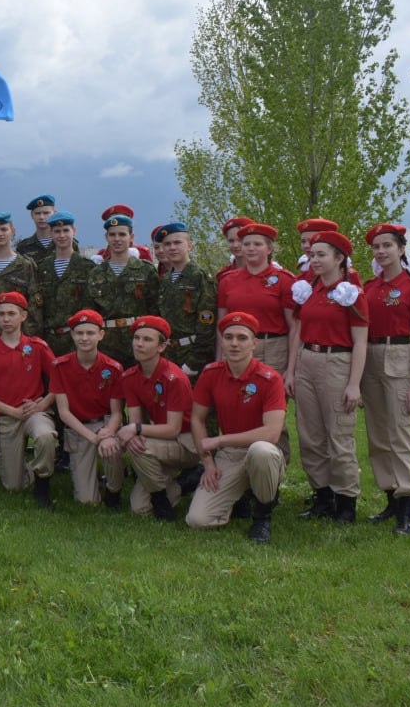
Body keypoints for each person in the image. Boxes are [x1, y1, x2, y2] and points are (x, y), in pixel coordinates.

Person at [286, 229, 369, 523]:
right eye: (312, 255)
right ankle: (322, 496)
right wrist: (292, 370)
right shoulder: (308, 290)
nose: (315, 260)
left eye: (322, 255)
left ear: (339, 258)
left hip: (337, 361)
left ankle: (346, 502)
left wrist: (354, 384)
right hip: (307, 359)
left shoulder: (351, 294)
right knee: (310, 435)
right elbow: (297, 333)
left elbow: (361, 341)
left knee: (339, 434)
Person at [186, 312, 288, 543]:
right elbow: (197, 419)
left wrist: (220, 441)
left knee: (260, 451)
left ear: (254, 343)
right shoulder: (211, 373)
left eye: (242, 338)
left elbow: (271, 433)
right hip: (231, 455)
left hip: (265, 452)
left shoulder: (270, 379)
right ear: (221, 341)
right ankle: (238, 496)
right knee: (198, 520)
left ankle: (262, 517)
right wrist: (208, 462)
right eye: (228, 337)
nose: (234, 343)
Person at [361, 223, 410, 535]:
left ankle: (407, 509)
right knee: (378, 435)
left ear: (401, 249)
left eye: (387, 245)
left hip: (400, 357)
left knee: (401, 435)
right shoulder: (369, 289)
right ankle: (390, 498)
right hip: (371, 360)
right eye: (376, 247)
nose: (381, 251)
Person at [216, 222, 297, 462]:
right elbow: (220, 326)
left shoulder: (283, 280)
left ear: (270, 248)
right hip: (235, 350)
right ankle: (238, 470)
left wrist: (291, 369)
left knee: (273, 413)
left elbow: (294, 328)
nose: (250, 248)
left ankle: (273, 473)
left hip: (273, 349)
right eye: (246, 243)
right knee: (236, 409)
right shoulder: (227, 280)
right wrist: (219, 358)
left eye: (257, 244)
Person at [106, 316, 197, 520]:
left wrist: (136, 430)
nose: (139, 344)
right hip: (159, 440)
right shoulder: (130, 377)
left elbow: (173, 428)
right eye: (136, 338)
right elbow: (137, 420)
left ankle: (160, 501)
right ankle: (184, 484)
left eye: (147, 340)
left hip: (185, 442)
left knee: (140, 446)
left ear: (161, 346)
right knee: (140, 509)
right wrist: (135, 432)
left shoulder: (175, 379)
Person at [0, 292, 58, 507]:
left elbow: (61, 382)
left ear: (23, 316)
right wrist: (13, 412)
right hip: (6, 416)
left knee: (45, 435)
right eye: (1, 314)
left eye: (11, 314)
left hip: (34, 411)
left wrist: (42, 404)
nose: (6, 319)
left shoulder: (38, 347)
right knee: (13, 486)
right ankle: (29, 467)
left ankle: (42, 485)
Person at [50, 309, 124, 506]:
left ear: (101, 335)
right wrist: (94, 438)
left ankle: (113, 489)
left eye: (90, 333)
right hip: (79, 428)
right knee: (87, 501)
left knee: (113, 450)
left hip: (106, 423)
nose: (84, 338)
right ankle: (92, 485)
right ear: (72, 335)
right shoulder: (59, 366)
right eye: (79, 333)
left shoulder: (113, 368)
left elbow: (117, 412)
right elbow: (64, 413)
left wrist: (107, 435)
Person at [87, 210, 160, 368]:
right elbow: (91, 310)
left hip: (138, 339)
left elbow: (154, 309)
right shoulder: (96, 273)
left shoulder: (145, 270)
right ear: (106, 238)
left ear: (131, 238)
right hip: (106, 342)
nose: (117, 239)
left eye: (122, 234)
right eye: (112, 235)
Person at [155, 222, 217, 380]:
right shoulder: (167, 279)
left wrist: (194, 362)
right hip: (169, 353)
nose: (172, 248)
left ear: (189, 245)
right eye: (167, 244)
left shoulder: (200, 277)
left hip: (192, 354)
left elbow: (207, 323)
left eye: (177, 242)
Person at [35, 211, 96, 357]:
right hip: (48, 340)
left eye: (66, 230)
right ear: (50, 233)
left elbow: (91, 306)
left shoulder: (87, 267)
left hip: (77, 340)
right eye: (57, 231)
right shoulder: (42, 268)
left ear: (74, 231)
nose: (61, 235)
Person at [16, 194, 57, 262]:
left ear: (54, 213)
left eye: (46, 213)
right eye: (37, 213)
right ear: (32, 215)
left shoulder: (66, 243)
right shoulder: (23, 247)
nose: (41, 217)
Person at [215, 216, 255, 284]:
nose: (235, 245)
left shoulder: (268, 273)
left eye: (240, 240)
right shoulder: (223, 275)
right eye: (231, 241)